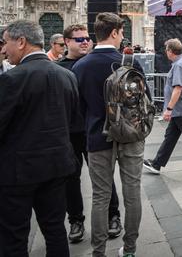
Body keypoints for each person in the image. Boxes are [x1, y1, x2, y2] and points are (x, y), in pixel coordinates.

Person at [0, 20, 78, 256]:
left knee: (13, 236)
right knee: (55, 230)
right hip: (57, 167)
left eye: (6, 42)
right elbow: (74, 123)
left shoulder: (12, 79)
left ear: (21, 42)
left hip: (18, 173)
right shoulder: (67, 76)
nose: (4, 49)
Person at [73, 13, 148, 257]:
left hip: (97, 136)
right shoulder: (130, 63)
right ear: (114, 32)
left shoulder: (80, 66)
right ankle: (130, 249)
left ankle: (99, 251)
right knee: (132, 192)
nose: (123, 36)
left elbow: (79, 108)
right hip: (130, 136)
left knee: (100, 196)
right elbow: (141, 102)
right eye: (122, 32)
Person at [57, 24, 122, 243]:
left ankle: (114, 216)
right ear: (66, 42)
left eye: (87, 38)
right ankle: (76, 220)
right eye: (79, 39)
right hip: (70, 133)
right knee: (71, 178)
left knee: (103, 177)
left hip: (94, 130)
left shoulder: (94, 62)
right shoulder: (60, 68)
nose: (85, 42)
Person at [144, 39, 182, 177]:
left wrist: (169, 109)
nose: (165, 52)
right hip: (180, 109)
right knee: (170, 137)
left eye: (166, 50)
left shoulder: (179, 65)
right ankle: (157, 164)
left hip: (180, 109)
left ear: (170, 51)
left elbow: (178, 88)